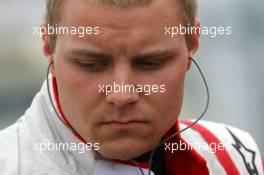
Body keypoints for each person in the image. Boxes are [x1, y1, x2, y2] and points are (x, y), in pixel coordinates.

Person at [0, 0, 263, 174]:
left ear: (192, 43)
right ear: (49, 47)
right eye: (90, 64)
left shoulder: (234, 154)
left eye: (151, 62)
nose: (122, 95)